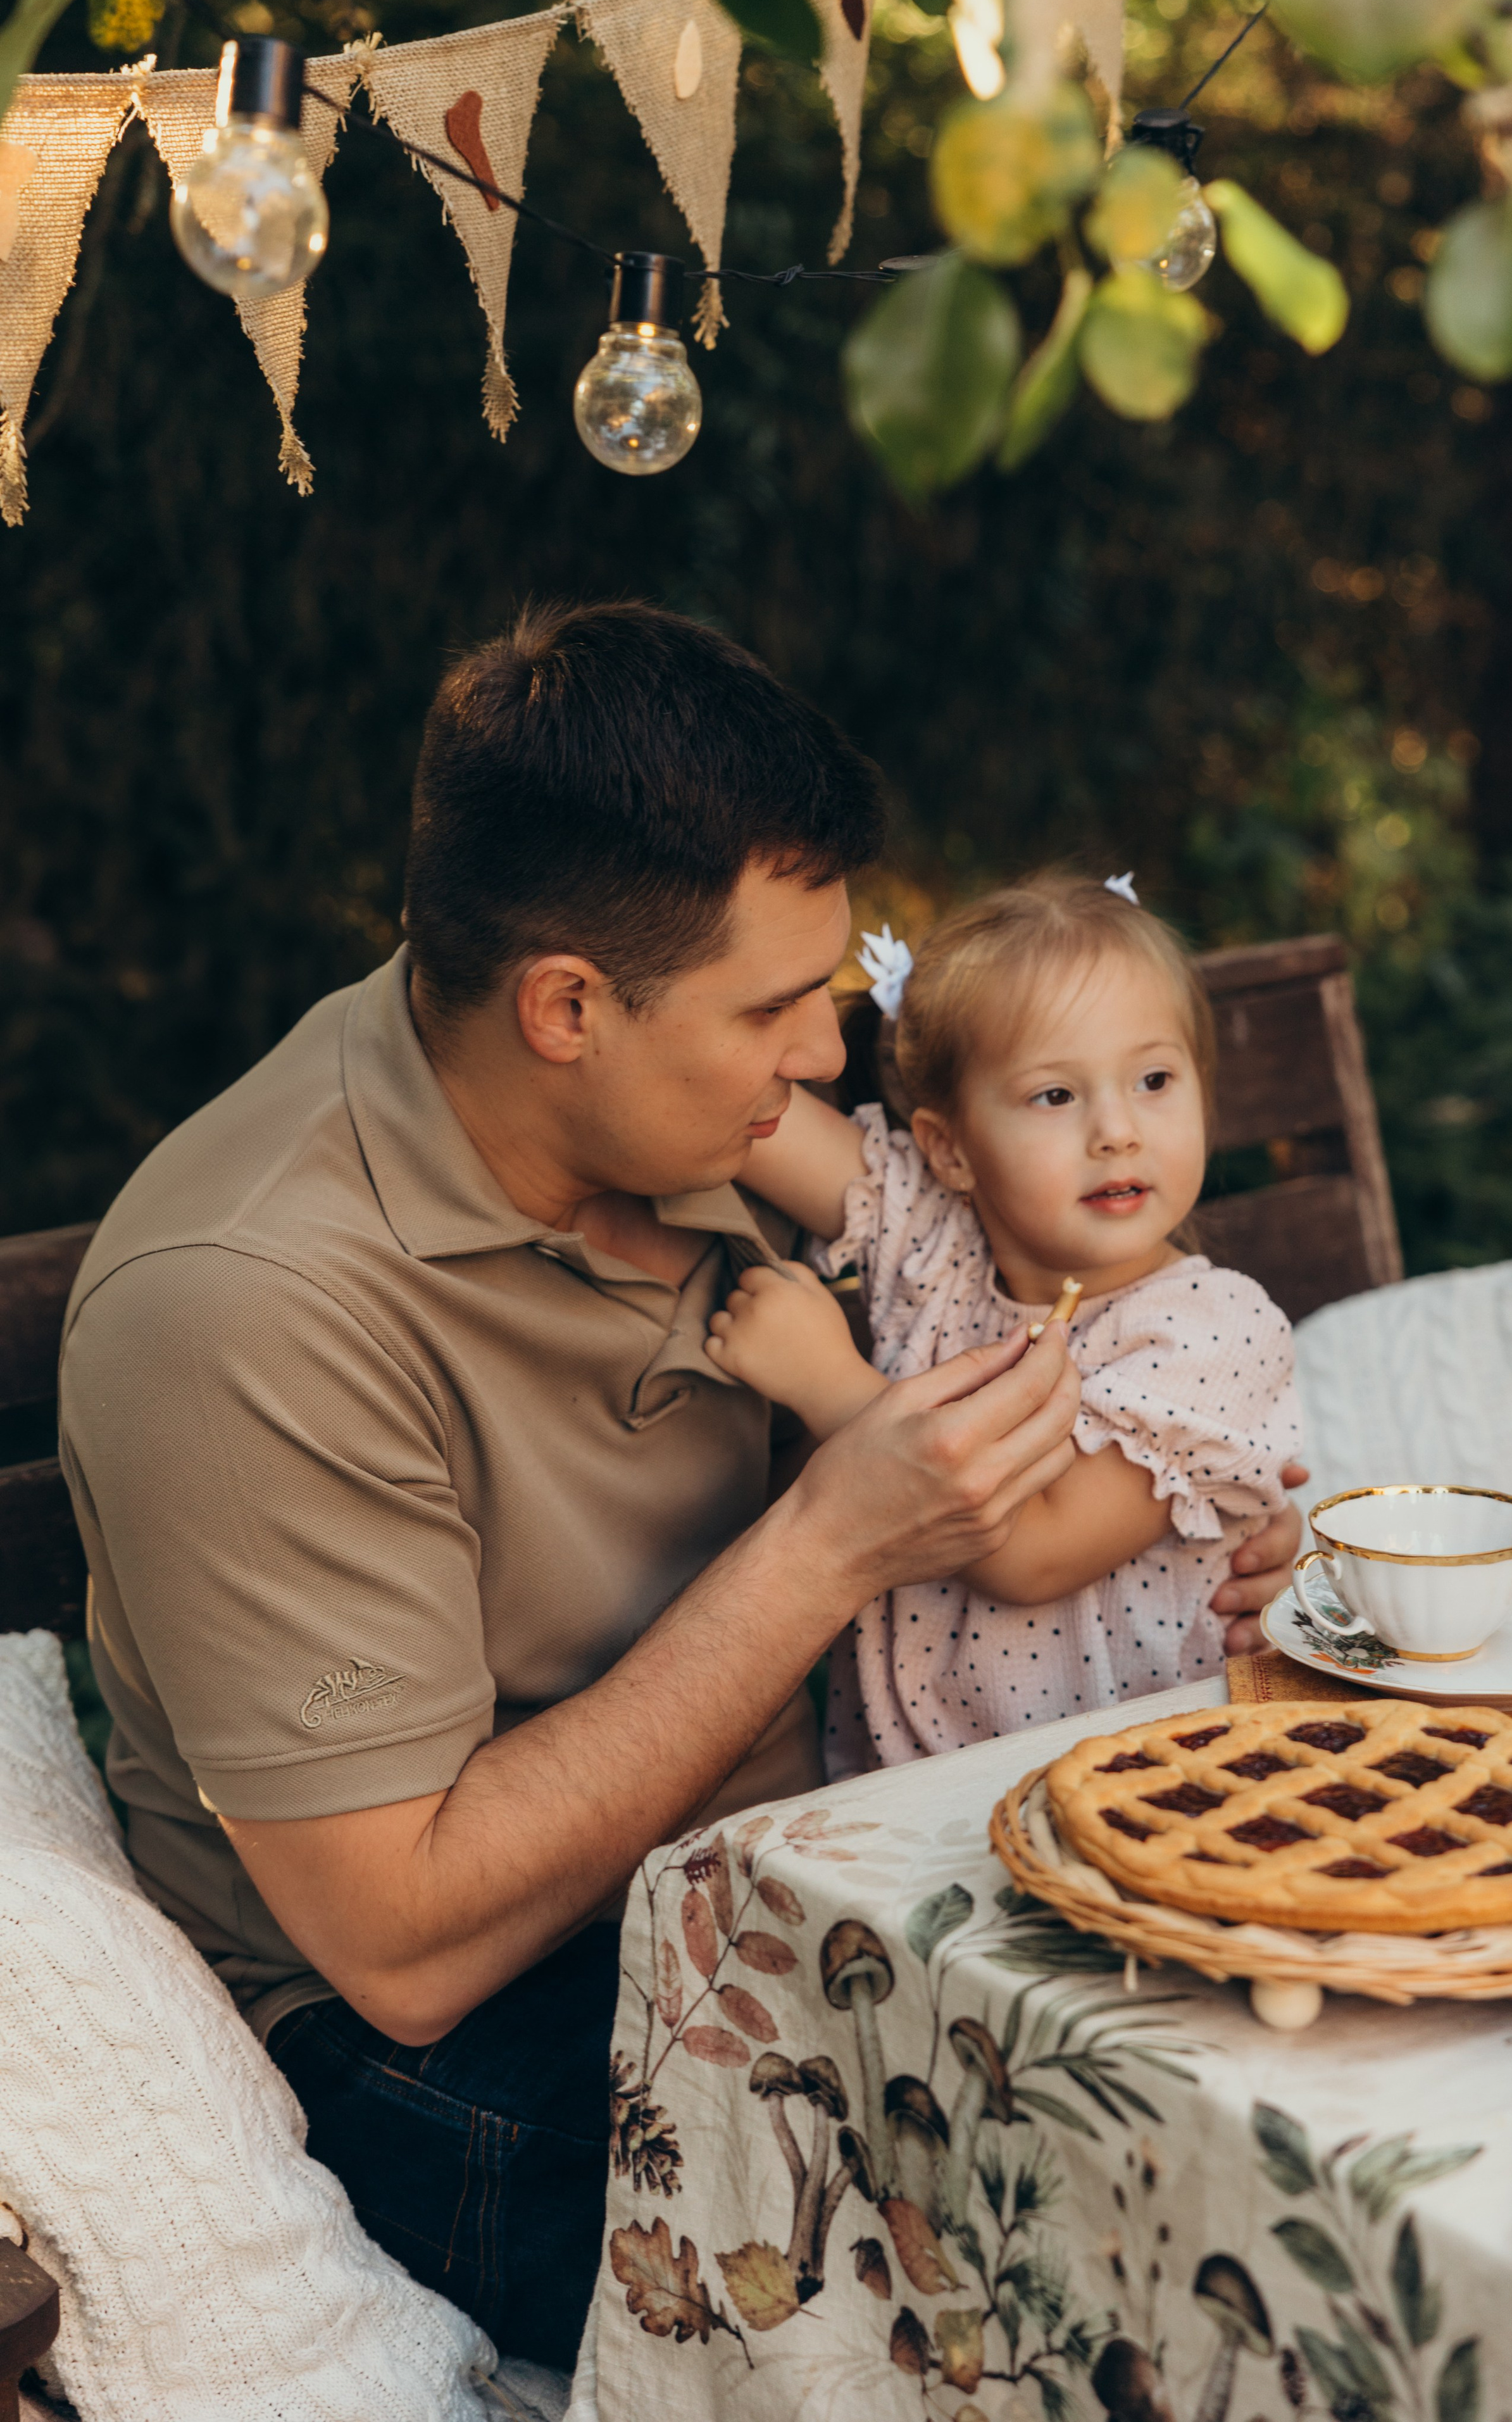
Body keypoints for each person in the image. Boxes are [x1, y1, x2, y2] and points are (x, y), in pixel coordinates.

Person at [56, 605, 1304, 2371]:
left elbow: (1060, 1325)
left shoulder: (692, 1123)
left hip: (815, 1868)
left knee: (1303, 2076)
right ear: (566, 1007)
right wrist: (828, 1542)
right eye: (780, 1007)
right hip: (468, 2046)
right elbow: (405, 1948)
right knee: (1122, 2241)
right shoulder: (247, 1304)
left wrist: (1210, 1556)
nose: (828, 1055)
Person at [705, 872, 1302, 1774]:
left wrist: (828, 1384)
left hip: (1140, 1784)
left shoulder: (1207, 1332)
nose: (1117, 1131)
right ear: (951, 1149)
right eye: (1056, 1096)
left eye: (1153, 1079)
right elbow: (747, 1112)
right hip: (908, 1791)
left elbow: (1032, 1551)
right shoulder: (936, 1238)